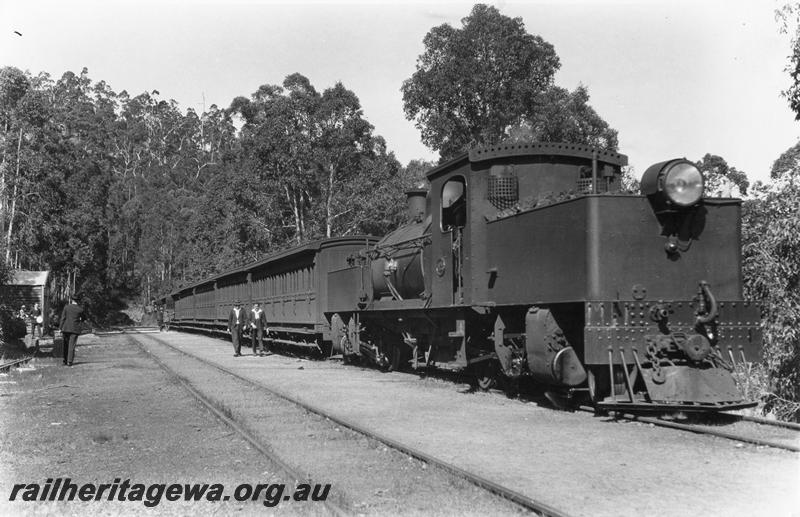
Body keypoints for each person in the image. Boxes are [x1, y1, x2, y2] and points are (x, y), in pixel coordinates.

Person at [59, 294, 84, 366]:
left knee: (66, 345)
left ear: (72, 300)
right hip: (75, 329)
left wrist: (60, 328)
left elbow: (63, 318)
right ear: (78, 301)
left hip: (66, 328)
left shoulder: (66, 307)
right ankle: (69, 361)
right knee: (71, 345)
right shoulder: (80, 309)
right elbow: (83, 318)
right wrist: (80, 320)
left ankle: (65, 360)